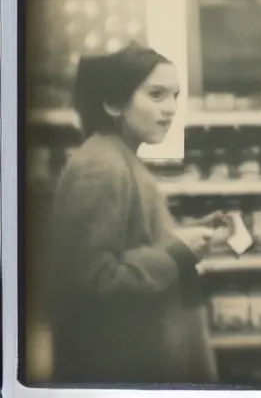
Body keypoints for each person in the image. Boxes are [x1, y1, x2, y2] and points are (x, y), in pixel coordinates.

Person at [48, 43, 224, 385]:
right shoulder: (101, 167)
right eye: (156, 95)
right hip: (123, 368)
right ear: (113, 103)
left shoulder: (118, 156)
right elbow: (94, 280)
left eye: (175, 95)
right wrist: (177, 253)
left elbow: (131, 241)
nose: (171, 109)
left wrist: (188, 233)